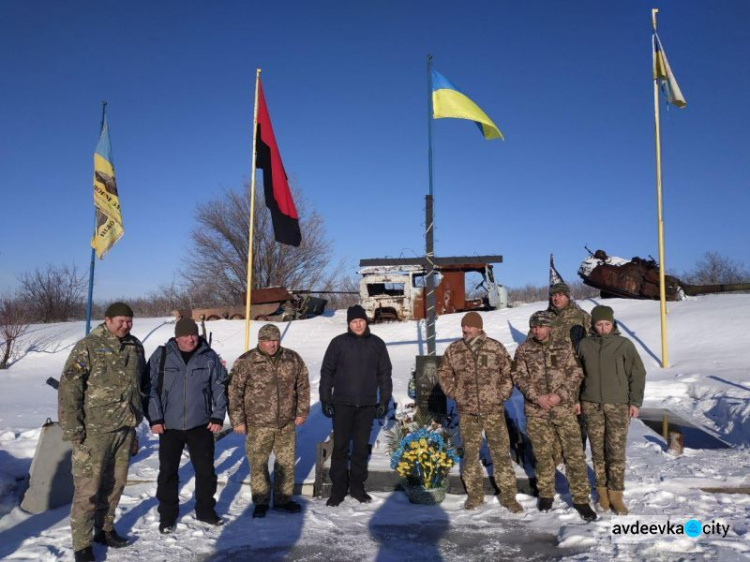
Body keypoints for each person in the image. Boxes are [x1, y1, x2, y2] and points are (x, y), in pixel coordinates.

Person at [58, 302, 147, 562]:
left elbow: (140, 385)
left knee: (115, 485)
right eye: (120, 320)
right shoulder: (88, 346)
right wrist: (73, 426)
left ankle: (105, 530)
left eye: (129, 321)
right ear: (107, 320)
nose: (125, 325)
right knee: (88, 490)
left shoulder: (135, 346)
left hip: (124, 428)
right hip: (94, 432)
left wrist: (136, 418)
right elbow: (69, 387)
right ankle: (82, 546)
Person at [512, 311, 596, 521]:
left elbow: (576, 373)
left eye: (540, 326)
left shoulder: (564, 346)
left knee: (574, 454)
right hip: (537, 411)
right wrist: (537, 397)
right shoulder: (524, 349)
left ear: (549, 327)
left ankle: (580, 499)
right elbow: (518, 376)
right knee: (542, 454)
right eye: (533, 327)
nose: (536, 330)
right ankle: (546, 493)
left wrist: (560, 395)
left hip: (563, 409)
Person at [147, 318, 228, 534]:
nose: (190, 339)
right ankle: (167, 515)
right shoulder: (162, 355)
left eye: (193, 334)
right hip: (169, 426)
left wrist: (218, 415)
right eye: (185, 335)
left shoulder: (208, 356)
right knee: (168, 473)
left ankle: (205, 510)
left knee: (205, 472)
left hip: (200, 424)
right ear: (176, 337)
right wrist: (155, 419)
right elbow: (150, 388)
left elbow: (219, 386)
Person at [437, 312, 523, 513]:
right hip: (467, 412)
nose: (465, 330)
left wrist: (500, 394)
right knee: (470, 453)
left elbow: (508, 373)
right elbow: (443, 373)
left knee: (501, 453)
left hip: (493, 410)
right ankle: (475, 495)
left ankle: (509, 496)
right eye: (463, 327)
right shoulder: (455, 349)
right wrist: (454, 392)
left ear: (479, 327)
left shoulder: (495, 347)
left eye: (469, 327)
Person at [229, 324, 310, 518]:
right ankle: (261, 501)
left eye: (275, 340)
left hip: (285, 423)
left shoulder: (292, 358)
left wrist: (302, 412)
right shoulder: (246, 361)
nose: (272, 344)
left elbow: (303, 386)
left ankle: (283, 500)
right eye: (267, 341)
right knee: (258, 464)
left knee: (286, 463)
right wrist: (237, 420)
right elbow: (234, 391)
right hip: (258, 424)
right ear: (260, 341)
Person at [319, 304, 392, 506]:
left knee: (360, 448)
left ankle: (357, 488)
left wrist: (384, 401)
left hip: (367, 405)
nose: (358, 325)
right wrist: (325, 399)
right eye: (354, 322)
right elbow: (327, 373)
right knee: (341, 447)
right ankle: (338, 489)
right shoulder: (338, 344)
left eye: (361, 321)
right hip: (342, 404)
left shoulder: (377, 344)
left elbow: (385, 374)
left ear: (366, 322)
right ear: (349, 324)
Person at [577, 305, 646, 515]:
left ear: (613, 324)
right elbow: (577, 376)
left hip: (618, 406)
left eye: (607, 324)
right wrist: (576, 399)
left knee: (615, 452)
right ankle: (602, 493)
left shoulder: (624, 345)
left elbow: (638, 373)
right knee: (598, 453)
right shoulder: (583, 345)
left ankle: (616, 494)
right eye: (599, 324)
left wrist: (635, 402)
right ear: (593, 325)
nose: (603, 328)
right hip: (591, 405)